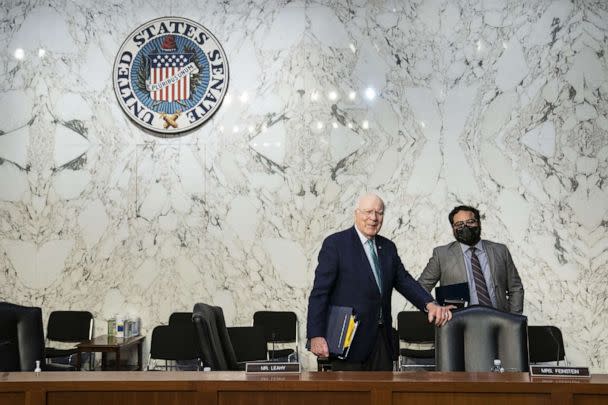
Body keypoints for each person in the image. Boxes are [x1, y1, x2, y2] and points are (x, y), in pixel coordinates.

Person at [306, 193, 452, 371]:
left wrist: (430, 304)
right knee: (349, 399)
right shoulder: (336, 244)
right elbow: (320, 293)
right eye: (368, 212)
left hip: (382, 341)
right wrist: (316, 335)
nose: (373, 218)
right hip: (347, 343)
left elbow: (404, 280)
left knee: (383, 398)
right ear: (356, 213)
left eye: (379, 213)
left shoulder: (388, 247)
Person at [418, 205, 524, 314]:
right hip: (457, 324)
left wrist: (513, 320)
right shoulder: (442, 255)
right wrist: (435, 309)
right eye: (459, 224)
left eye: (470, 221)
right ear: (453, 228)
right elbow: (421, 288)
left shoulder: (500, 250)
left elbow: (515, 288)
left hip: (499, 322)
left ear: (479, 223)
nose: (465, 227)